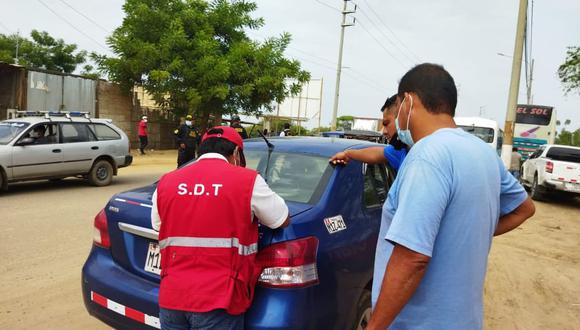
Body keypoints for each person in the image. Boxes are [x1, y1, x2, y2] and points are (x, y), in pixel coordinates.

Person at [367, 63, 535, 330]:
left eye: (397, 110)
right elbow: (525, 208)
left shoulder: (427, 156)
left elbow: (412, 258)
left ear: (408, 102)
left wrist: (374, 327)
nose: (396, 122)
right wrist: (465, 233)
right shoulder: (483, 153)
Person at [151, 126, 291, 330]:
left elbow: (158, 225)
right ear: (235, 153)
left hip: (172, 296)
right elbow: (281, 219)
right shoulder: (248, 180)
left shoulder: (167, 181)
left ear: (201, 150)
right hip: (219, 299)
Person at [329, 94, 408, 172]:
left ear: (402, 118)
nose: (384, 132)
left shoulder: (415, 156)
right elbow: (375, 154)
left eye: (386, 124)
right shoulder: (400, 151)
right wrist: (347, 154)